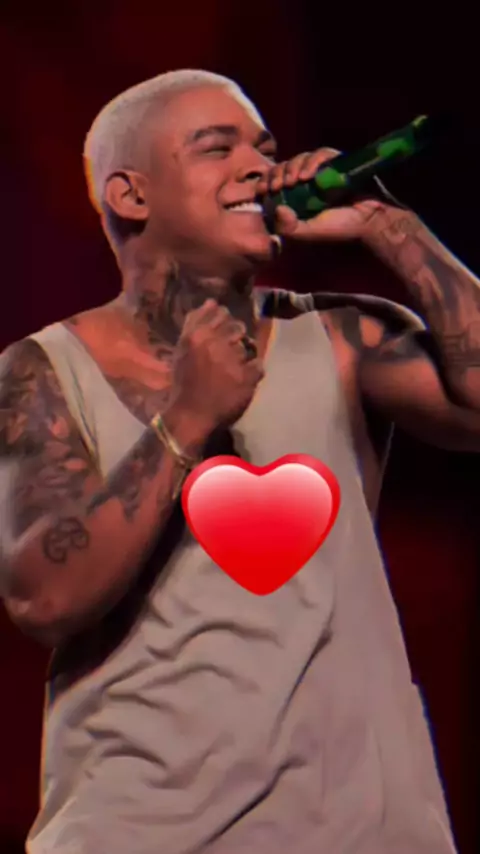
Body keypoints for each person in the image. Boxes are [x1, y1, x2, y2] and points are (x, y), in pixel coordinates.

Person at [1, 69, 478, 854]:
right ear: (131, 194)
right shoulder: (42, 371)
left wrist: (389, 227)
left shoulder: (340, 337)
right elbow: (44, 597)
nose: (260, 167)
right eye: (216, 148)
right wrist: (187, 419)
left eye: (263, 148)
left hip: (367, 833)